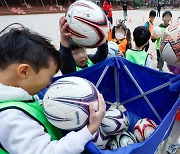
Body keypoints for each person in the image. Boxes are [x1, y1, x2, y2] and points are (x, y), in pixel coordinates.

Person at [0, 25, 106, 153]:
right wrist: (90, 129)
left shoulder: (20, 93)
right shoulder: (10, 118)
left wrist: (65, 40)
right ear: (23, 72)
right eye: (49, 77)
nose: (49, 83)